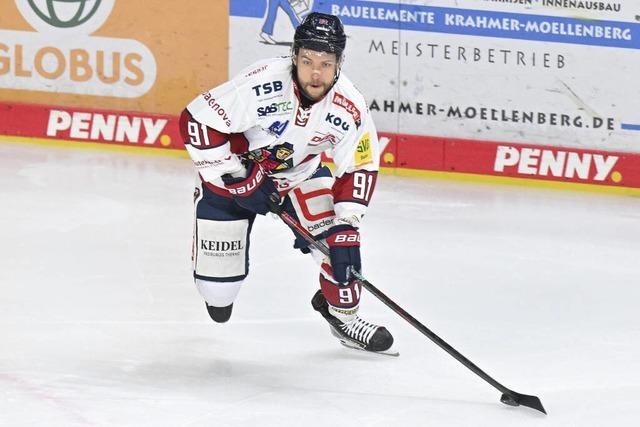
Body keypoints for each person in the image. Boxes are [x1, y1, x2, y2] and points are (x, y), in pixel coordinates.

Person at [179, 12, 393, 353]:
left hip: (299, 177)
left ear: (339, 63)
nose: (315, 72)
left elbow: (361, 165)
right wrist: (239, 176)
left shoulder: (349, 105)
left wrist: (347, 222)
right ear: (294, 56)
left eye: (326, 63)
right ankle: (215, 262)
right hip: (233, 177)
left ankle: (342, 318)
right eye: (307, 61)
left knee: (343, 254)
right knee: (218, 297)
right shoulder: (261, 83)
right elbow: (196, 123)